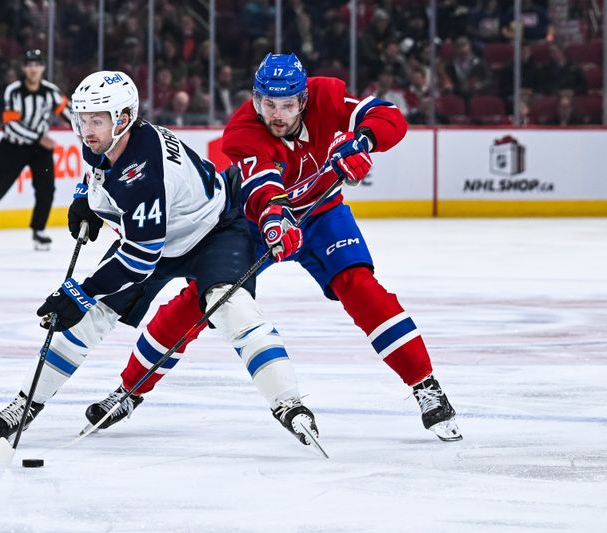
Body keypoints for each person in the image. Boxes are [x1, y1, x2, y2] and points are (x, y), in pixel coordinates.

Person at [86, 53, 463, 442]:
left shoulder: (328, 97)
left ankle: (425, 385)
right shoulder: (243, 131)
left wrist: (363, 141)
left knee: (360, 286)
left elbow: (389, 116)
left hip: (322, 216)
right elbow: (262, 188)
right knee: (202, 300)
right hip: (250, 222)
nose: (277, 114)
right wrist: (274, 221)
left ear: (303, 100)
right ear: (256, 100)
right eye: (269, 104)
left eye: (287, 104)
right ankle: (129, 390)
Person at [0, 71, 321, 450]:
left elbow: (141, 258)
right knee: (91, 317)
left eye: (97, 120)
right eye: (83, 119)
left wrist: (81, 292)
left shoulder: (142, 170)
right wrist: (87, 199)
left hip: (215, 232)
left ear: (123, 118)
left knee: (232, 308)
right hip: (161, 236)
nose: (86, 129)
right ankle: (28, 401)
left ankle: (288, 403)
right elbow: (100, 171)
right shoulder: (110, 140)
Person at [0, 49, 72, 250]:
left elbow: (68, 113)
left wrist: (87, 127)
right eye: (29, 64)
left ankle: (39, 231)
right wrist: (39, 137)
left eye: (37, 64)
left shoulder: (50, 91)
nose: (33, 68)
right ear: (24, 68)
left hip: (40, 150)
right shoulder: (13, 91)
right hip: (12, 147)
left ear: (43, 67)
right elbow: (10, 125)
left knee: (46, 189)